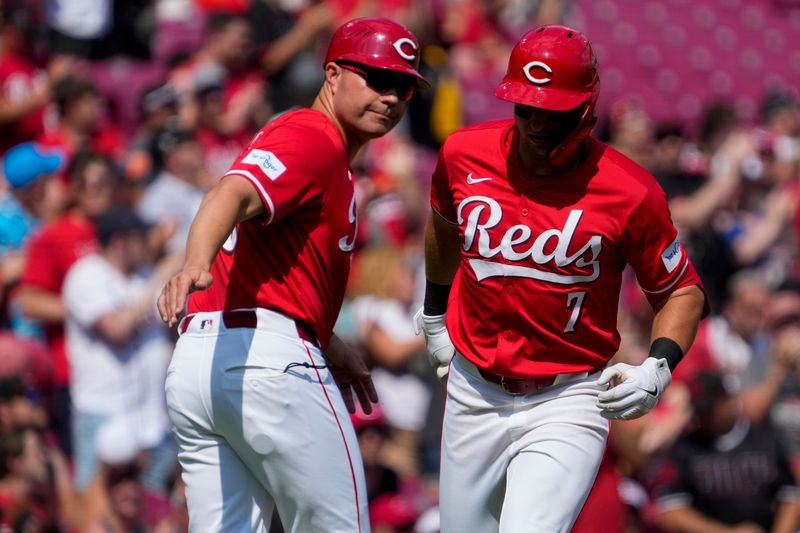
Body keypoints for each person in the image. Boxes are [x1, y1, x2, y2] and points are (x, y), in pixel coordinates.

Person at [416, 25, 709, 532]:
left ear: (585, 109)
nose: (533, 121)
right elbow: (443, 229)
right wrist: (435, 313)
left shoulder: (629, 190)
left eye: (549, 111)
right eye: (523, 106)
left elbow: (682, 290)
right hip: (473, 390)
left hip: (569, 395)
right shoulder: (464, 154)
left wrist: (657, 368)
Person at [157, 17, 429, 532]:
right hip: (269, 364)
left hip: (204, 362)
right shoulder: (313, 135)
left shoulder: (330, 158)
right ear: (332, 74)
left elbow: (277, 269)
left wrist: (327, 340)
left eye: (404, 86)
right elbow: (230, 192)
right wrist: (194, 264)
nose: (391, 97)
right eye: (376, 78)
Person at [643, 371, 800, 533]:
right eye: (699, 411)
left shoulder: (765, 438)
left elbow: (790, 496)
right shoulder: (685, 448)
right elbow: (670, 512)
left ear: (728, 402)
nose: (702, 417)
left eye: (709, 410)